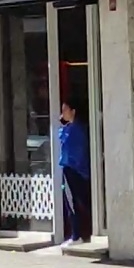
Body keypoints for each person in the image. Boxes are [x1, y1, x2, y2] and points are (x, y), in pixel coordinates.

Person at [55, 102, 91, 245]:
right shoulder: (76, 128)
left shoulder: (74, 130)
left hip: (73, 170)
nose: (62, 113)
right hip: (79, 171)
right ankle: (81, 233)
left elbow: (68, 146)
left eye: (65, 110)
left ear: (73, 111)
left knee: (72, 202)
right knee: (80, 201)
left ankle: (77, 235)